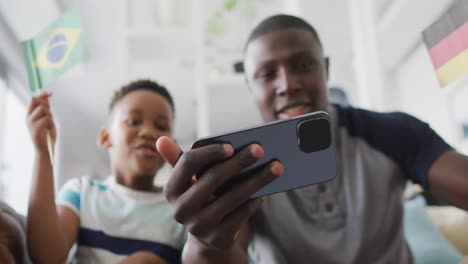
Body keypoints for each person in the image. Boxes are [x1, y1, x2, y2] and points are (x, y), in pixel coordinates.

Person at [156, 14, 468, 263]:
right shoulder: (241, 164)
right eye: (267, 74)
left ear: (326, 69)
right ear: (251, 86)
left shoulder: (393, 133)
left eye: (303, 65)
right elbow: (224, 253)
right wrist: (204, 242)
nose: (287, 85)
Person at [26, 80, 185, 264]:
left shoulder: (180, 210)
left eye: (161, 127)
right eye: (134, 121)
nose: (148, 132)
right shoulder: (81, 192)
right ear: (105, 137)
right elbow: (47, 257)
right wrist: (42, 152)